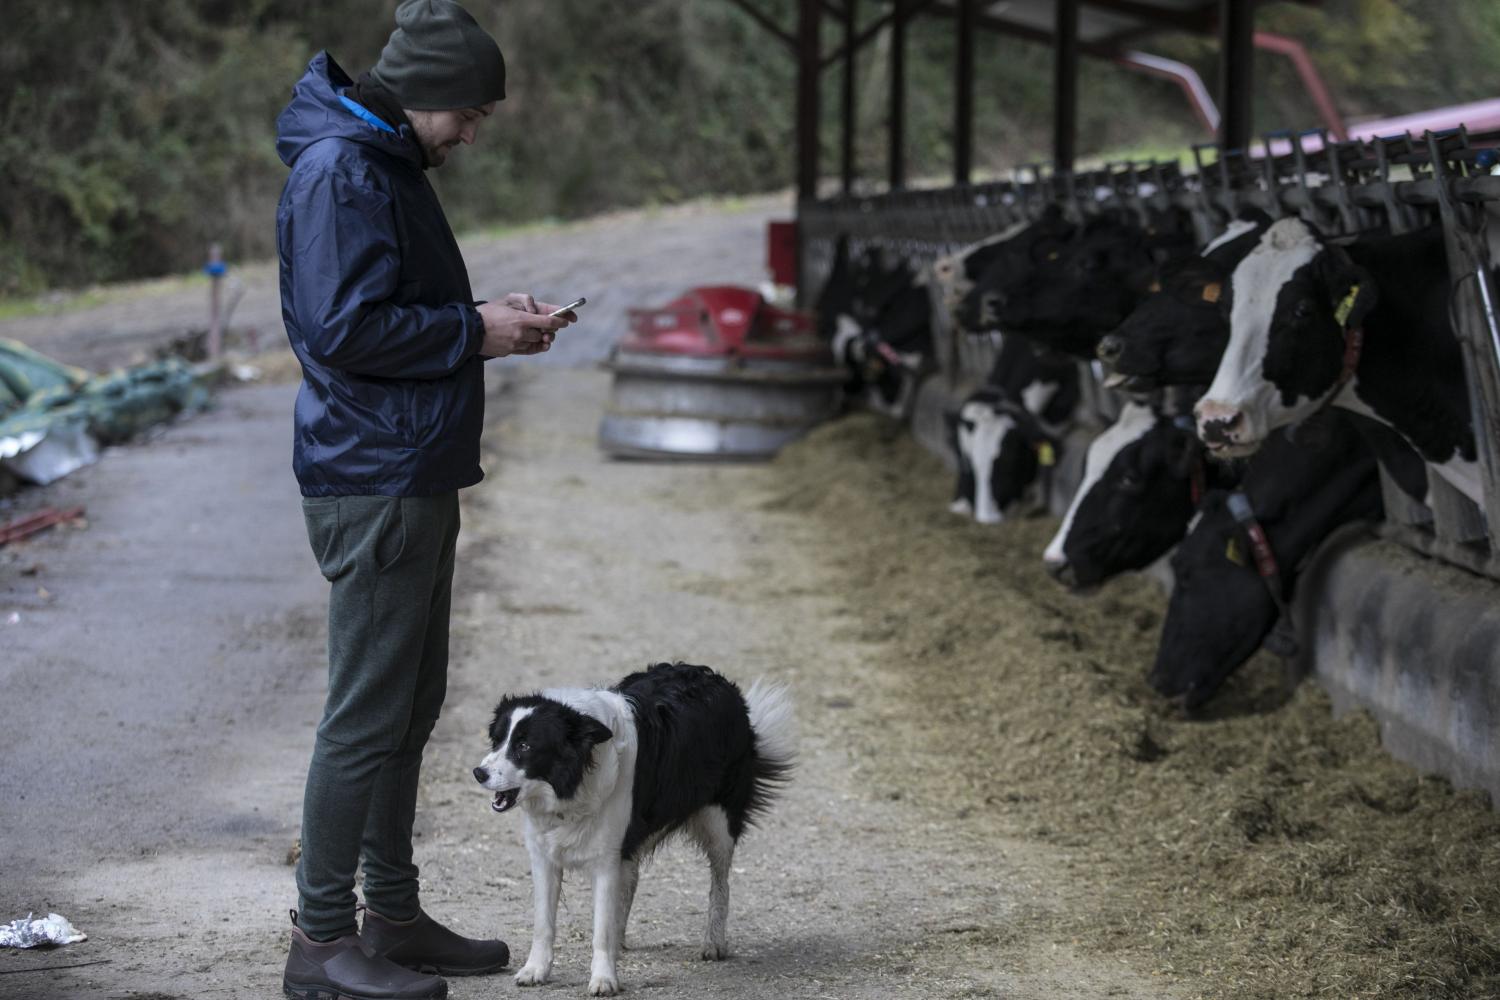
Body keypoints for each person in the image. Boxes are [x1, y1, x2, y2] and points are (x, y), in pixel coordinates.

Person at [273, 3, 574, 998]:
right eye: (472, 113)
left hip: (409, 468)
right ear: (430, 94)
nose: (473, 133)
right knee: (364, 716)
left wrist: (485, 320)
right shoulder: (343, 173)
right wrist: (476, 331)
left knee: (407, 707)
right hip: (378, 477)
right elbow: (346, 329)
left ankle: (389, 914)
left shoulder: (379, 163)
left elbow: (391, 309)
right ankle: (321, 943)